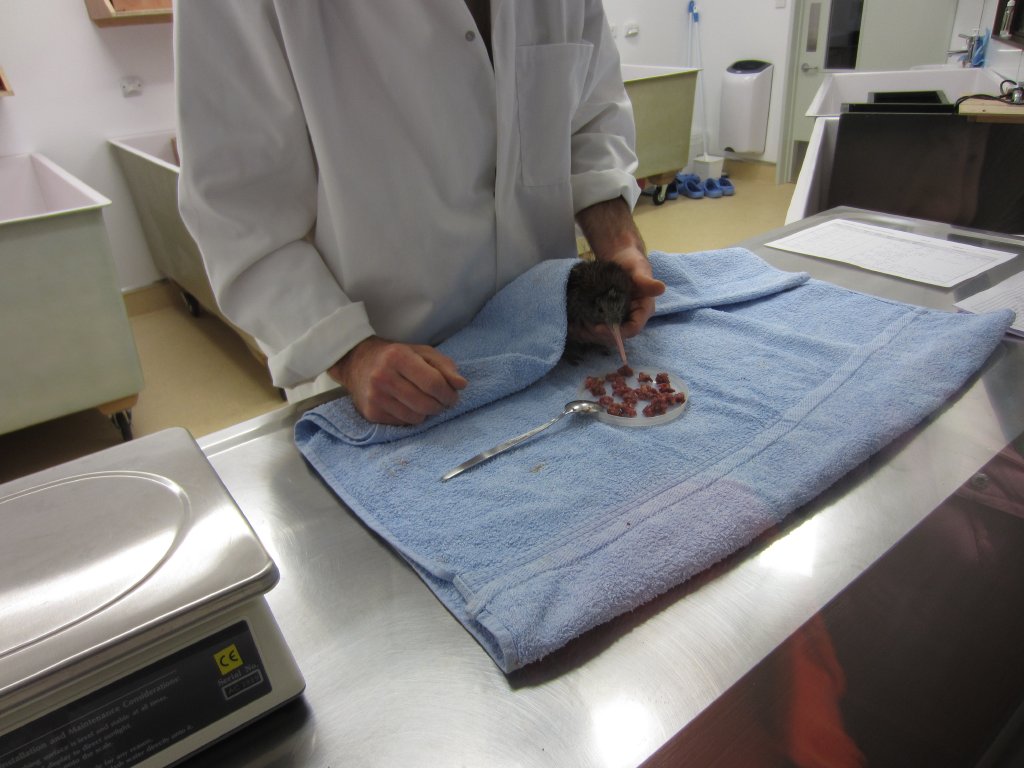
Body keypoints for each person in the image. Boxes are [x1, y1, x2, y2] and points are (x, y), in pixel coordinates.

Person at [175, 1, 665, 425]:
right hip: (391, 384)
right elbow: (239, 209)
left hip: (552, 348)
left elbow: (591, 117)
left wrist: (619, 244)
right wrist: (350, 355)